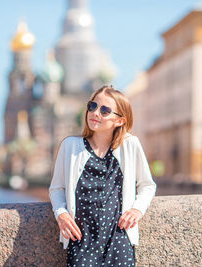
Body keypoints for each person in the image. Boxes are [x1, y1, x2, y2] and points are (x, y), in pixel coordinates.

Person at [49, 85, 156, 266]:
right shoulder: (70, 146)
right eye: (93, 106)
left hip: (119, 237)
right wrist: (61, 214)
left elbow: (147, 185)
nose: (95, 113)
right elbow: (57, 188)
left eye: (104, 110)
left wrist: (137, 209)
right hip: (81, 238)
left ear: (120, 120)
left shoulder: (130, 145)